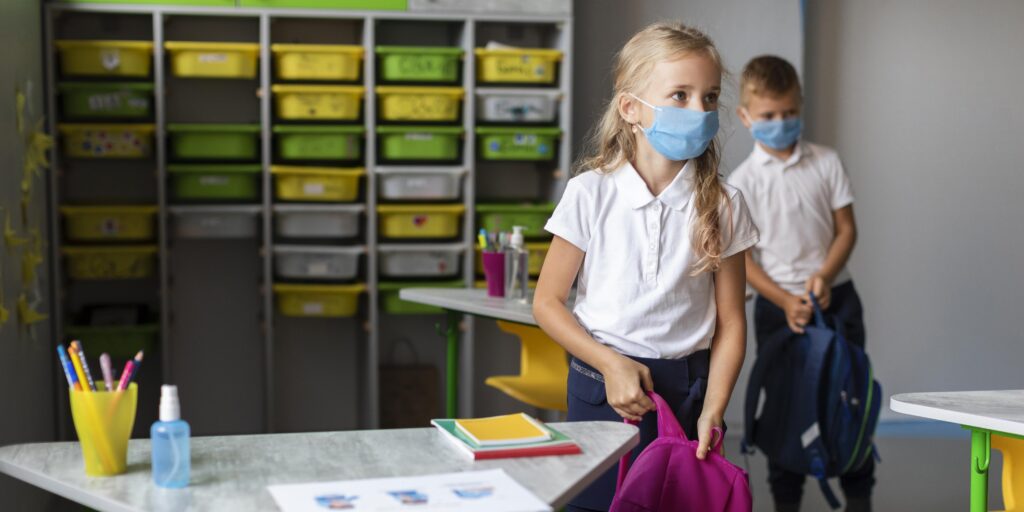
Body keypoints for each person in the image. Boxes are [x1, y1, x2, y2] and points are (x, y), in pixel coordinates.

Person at [533, 21, 759, 512]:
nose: (699, 110)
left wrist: (715, 407)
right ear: (631, 108)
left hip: (689, 391)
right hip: (600, 385)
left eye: (709, 97)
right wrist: (610, 365)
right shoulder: (589, 193)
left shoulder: (724, 203)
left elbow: (732, 321)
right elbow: (547, 303)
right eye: (679, 95)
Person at [729, 55, 873, 512]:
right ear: (746, 116)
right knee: (785, 407)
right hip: (777, 308)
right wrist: (785, 299)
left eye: (789, 112)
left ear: (801, 106)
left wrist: (824, 276)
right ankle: (785, 501)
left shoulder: (827, 163)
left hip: (837, 300)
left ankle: (859, 498)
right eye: (769, 116)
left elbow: (846, 229)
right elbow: (742, 261)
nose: (781, 122)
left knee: (848, 397)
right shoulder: (741, 183)